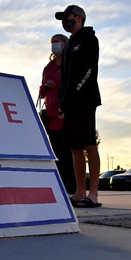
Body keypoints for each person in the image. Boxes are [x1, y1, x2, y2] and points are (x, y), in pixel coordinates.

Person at [55, 5, 102, 208]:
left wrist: (76, 94)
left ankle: (93, 194)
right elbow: (64, 78)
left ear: (80, 17)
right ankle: (79, 191)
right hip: (70, 103)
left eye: (69, 17)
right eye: (63, 18)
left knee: (88, 143)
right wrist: (62, 100)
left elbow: (89, 71)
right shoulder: (69, 45)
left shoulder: (89, 39)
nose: (66, 21)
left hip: (85, 100)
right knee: (74, 146)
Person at [39, 34, 75, 194]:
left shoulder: (71, 65)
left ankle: (73, 186)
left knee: (69, 152)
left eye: (57, 42)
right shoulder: (48, 68)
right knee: (56, 152)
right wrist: (46, 86)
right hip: (51, 116)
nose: (54, 45)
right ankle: (60, 186)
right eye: (52, 43)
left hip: (67, 115)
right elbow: (41, 93)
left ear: (65, 45)